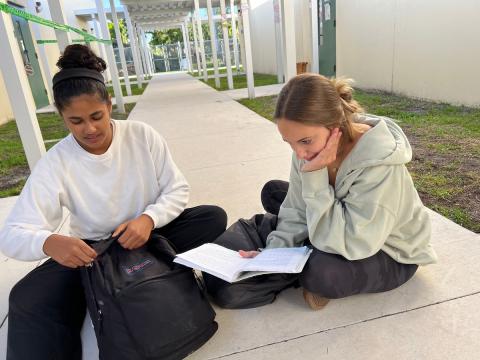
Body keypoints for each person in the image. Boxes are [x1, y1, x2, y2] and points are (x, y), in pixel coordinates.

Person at [0, 44, 227, 359]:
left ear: (109, 104)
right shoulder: (56, 162)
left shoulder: (141, 135)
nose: (89, 129)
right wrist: (49, 242)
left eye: (96, 116)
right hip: (93, 255)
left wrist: (148, 220)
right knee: (26, 297)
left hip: (146, 238)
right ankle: (106, 284)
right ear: (62, 117)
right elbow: (12, 232)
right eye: (76, 121)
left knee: (211, 218)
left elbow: (176, 189)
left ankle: (112, 284)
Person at [239, 73, 437, 310]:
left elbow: (354, 242)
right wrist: (272, 255)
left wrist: (314, 176)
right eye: (289, 143)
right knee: (274, 192)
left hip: (389, 250)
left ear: (335, 126)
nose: (299, 154)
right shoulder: (306, 149)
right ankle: (307, 241)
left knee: (320, 273)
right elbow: (295, 208)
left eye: (304, 141)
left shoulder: (379, 163)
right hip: (342, 221)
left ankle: (309, 250)